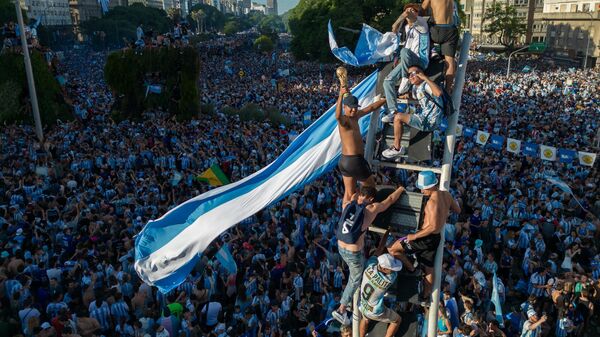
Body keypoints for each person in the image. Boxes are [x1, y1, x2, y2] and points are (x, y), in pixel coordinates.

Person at [332, 184, 406, 324]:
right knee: (354, 279)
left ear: (359, 193)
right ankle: (341, 309)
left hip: (341, 248)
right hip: (354, 254)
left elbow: (350, 192)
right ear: (371, 198)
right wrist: (400, 189)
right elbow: (389, 200)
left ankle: (355, 301)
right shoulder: (371, 209)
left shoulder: (347, 204)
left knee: (358, 273)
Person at [388, 170, 460, 302]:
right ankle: (425, 295)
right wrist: (443, 214)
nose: (421, 192)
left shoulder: (432, 202)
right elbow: (458, 210)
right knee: (429, 268)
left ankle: (411, 267)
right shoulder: (447, 195)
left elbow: (432, 227)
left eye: (423, 189)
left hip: (424, 237)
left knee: (393, 248)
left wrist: (413, 237)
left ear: (431, 186)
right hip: (435, 238)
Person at [335, 66, 387, 199]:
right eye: (350, 108)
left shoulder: (355, 116)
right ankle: (368, 214)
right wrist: (340, 96)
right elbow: (337, 116)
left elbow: (370, 108)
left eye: (354, 108)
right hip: (355, 161)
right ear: (345, 108)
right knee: (371, 190)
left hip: (345, 162)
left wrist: (385, 100)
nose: (353, 110)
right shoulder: (345, 121)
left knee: (349, 193)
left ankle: (347, 216)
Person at [382, 64, 444, 159]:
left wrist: (425, 78)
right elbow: (415, 96)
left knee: (398, 117)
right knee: (399, 118)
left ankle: (397, 148)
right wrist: (400, 96)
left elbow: (438, 93)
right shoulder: (416, 88)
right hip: (423, 117)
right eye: (409, 75)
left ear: (421, 74)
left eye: (414, 73)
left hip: (430, 121)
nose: (410, 76)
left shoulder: (426, 85)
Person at [382, 3, 430, 120]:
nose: (410, 12)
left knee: (405, 51)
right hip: (407, 62)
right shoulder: (407, 28)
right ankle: (393, 111)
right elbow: (394, 30)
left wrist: (405, 15)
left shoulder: (422, 23)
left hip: (420, 61)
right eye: (408, 10)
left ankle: (405, 79)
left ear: (418, 14)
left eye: (414, 11)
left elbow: (410, 17)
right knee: (387, 81)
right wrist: (396, 24)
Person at [358, 231, 403, 337]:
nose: (392, 270)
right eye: (390, 269)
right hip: (375, 311)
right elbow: (394, 254)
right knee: (397, 320)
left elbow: (379, 249)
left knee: (365, 319)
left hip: (363, 305)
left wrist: (387, 233)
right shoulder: (390, 278)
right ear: (383, 268)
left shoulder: (370, 266)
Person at [421, 0, 460, 90]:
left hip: (436, 28)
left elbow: (422, 10)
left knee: (422, 29)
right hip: (450, 30)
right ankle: (448, 90)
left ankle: (432, 49)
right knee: (450, 63)